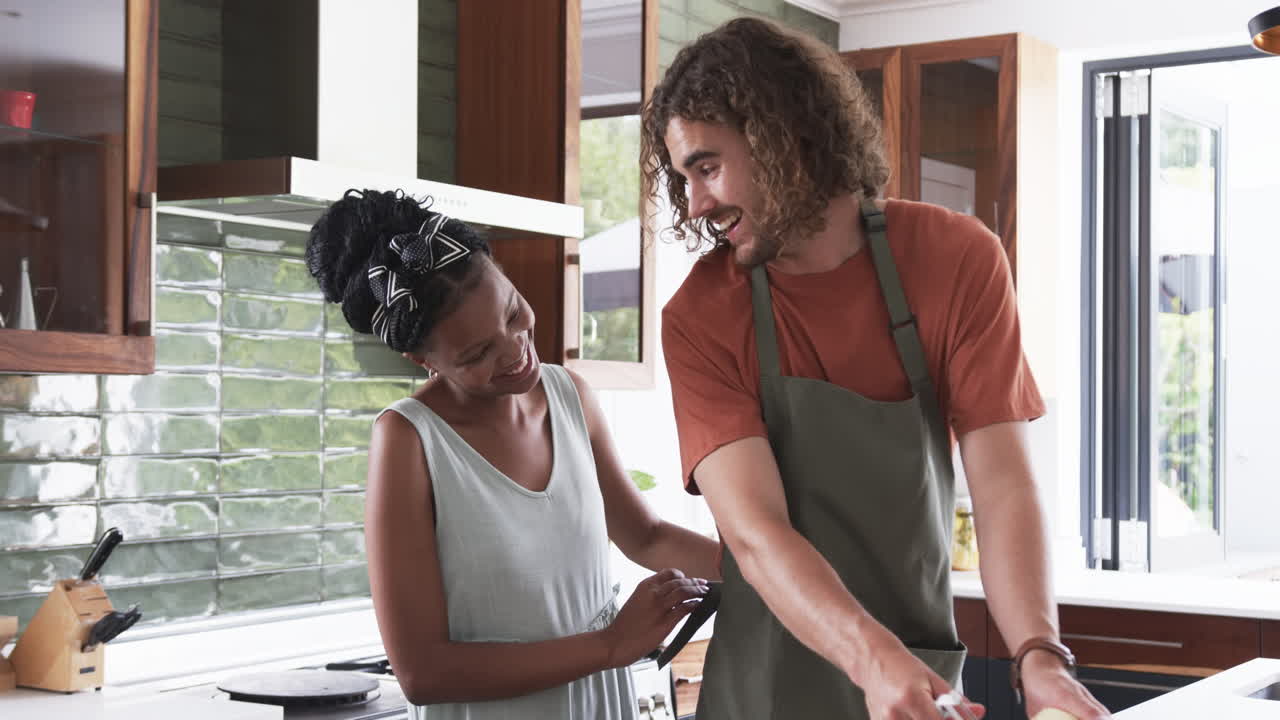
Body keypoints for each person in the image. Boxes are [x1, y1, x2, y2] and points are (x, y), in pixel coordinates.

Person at [639, 18, 1111, 720]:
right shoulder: (702, 315)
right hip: (769, 687)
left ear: (783, 132)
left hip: (916, 685)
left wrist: (1039, 655)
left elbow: (1004, 483)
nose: (697, 205)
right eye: (684, 179)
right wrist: (872, 658)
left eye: (706, 167)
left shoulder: (955, 258)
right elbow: (756, 535)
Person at [305, 189, 720, 720]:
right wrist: (611, 645)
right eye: (477, 353)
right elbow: (422, 673)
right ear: (421, 359)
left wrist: (762, 564)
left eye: (511, 312)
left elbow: (646, 536)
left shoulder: (570, 396)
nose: (514, 351)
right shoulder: (409, 440)